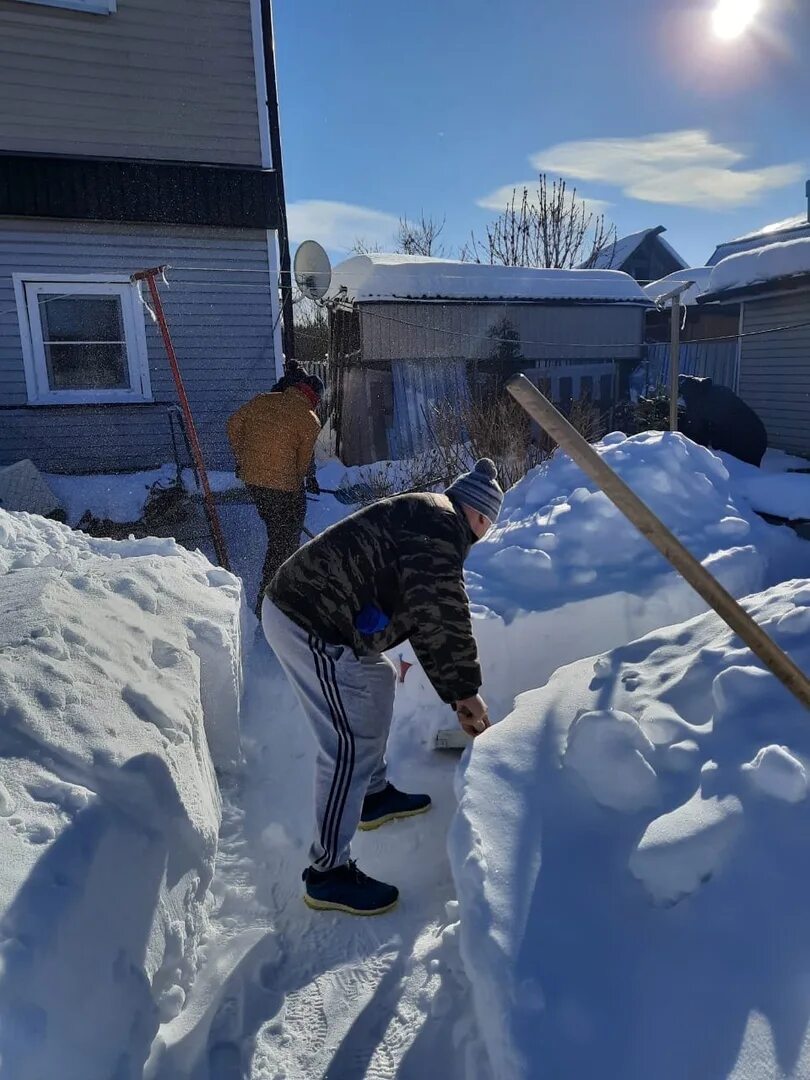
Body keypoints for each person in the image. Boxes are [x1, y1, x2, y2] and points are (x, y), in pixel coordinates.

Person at [262, 459, 505, 916]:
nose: (485, 533)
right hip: (306, 619)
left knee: (376, 678)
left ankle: (371, 795)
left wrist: (456, 694)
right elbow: (440, 609)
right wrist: (467, 690)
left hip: (325, 614)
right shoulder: (441, 524)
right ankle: (327, 873)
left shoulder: (430, 518)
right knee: (346, 743)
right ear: (479, 515)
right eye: (488, 524)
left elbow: (422, 613)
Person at [227, 373, 324, 616]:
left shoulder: (262, 400)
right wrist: (298, 480)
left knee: (278, 529)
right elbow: (301, 466)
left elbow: (232, 425)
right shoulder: (310, 420)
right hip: (281, 488)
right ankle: (270, 601)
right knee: (283, 541)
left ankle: (280, 582)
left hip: (253, 482)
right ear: (314, 398)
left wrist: (243, 458)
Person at [678, 375, 767, 467]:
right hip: (757, 435)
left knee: (739, 471)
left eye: (683, 397)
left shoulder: (704, 402)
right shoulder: (714, 392)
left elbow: (700, 434)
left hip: (746, 439)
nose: (683, 401)